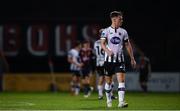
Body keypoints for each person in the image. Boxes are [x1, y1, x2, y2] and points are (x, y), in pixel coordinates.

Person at [100, 11, 136, 108]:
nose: (122, 20)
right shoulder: (106, 31)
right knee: (108, 82)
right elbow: (102, 44)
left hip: (120, 60)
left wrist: (132, 58)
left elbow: (128, 45)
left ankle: (121, 102)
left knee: (121, 80)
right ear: (114, 20)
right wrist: (107, 51)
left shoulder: (123, 31)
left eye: (122, 19)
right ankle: (108, 100)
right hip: (108, 61)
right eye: (120, 19)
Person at [94, 29, 117, 100]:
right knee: (111, 78)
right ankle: (110, 94)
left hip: (98, 62)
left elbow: (95, 52)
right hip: (106, 62)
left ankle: (100, 95)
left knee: (102, 78)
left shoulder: (96, 43)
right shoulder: (107, 42)